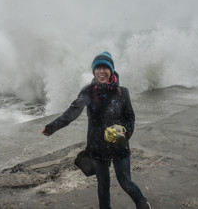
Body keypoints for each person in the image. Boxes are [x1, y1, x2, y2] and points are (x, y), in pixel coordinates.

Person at [42, 51, 151, 209]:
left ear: (111, 70)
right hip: (97, 147)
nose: (101, 71)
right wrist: (51, 127)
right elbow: (71, 113)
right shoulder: (87, 92)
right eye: (98, 68)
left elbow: (130, 118)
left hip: (120, 145)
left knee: (126, 182)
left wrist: (125, 133)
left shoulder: (123, 93)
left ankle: (143, 203)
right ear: (93, 71)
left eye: (105, 67)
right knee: (103, 185)